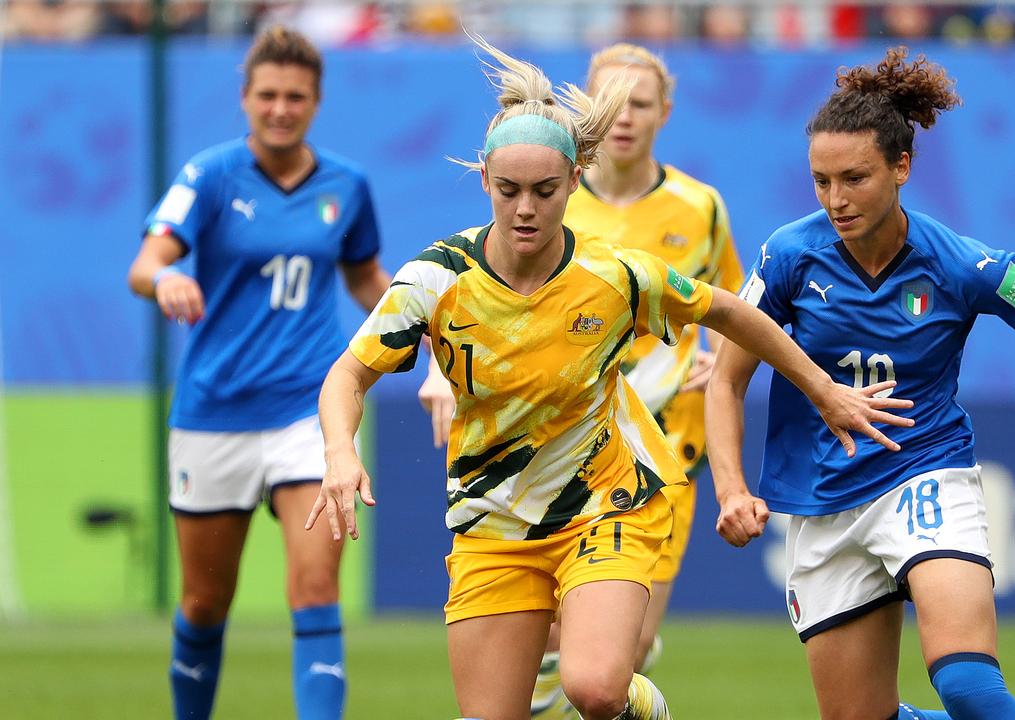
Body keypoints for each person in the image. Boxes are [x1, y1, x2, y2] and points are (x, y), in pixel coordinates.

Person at [306, 36, 911, 720]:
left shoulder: (617, 276)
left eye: (543, 190)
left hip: (605, 506)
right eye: (508, 191)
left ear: (573, 180)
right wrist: (338, 450)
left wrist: (822, 389)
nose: (526, 209)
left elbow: (735, 311)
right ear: (484, 181)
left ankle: (639, 707)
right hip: (491, 524)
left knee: (593, 687)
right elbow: (347, 376)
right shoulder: (435, 278)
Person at [706, 47, 1015, 720]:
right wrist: (733, 489)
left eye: (854, 178)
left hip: (924, 475)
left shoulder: (964, 264)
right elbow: (726, 379)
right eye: (821, 181)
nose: (835, 199)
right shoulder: (789, 256)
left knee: (969, 688)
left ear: (903, 167)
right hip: (822, 502)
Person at [416, 42, 746, 718]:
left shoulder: (700, 206)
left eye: (640, 103)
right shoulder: (549, 198)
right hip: (543, 452)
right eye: (610, 102)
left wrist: (720, 365)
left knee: (613, 659)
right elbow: (460, 305)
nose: (624, 117)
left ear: (666, 112)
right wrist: (441, 375)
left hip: (654, 451)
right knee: (569, 660)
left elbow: (731, 305)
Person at [125, 26, 390, 720]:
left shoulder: (346, 186)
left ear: (316, 101)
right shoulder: (210, 175)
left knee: (314, 590)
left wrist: (418, 320)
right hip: (214, 413)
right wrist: (167, 282)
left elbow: (365, 278)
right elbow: (145, 265)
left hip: (308, 411)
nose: (280, 108)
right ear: (244, 99)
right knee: (205, 603)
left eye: (295, 96)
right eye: (267, 95)